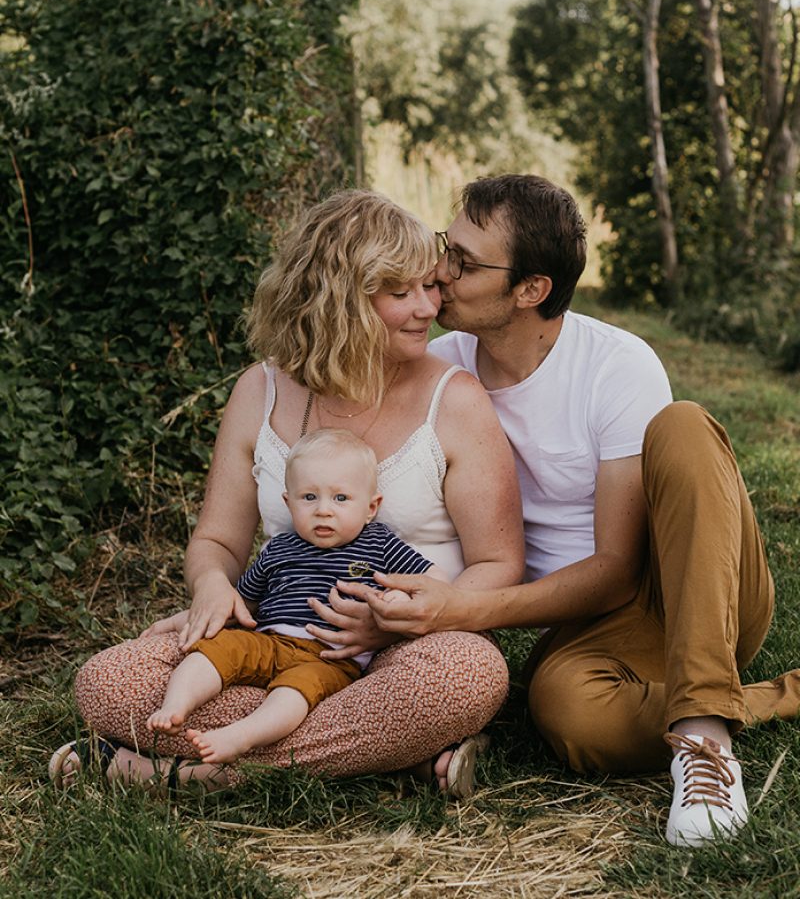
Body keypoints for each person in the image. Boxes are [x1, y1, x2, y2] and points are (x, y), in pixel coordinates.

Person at [335, 174, 800, 848]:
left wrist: (460, 611)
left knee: (684, 426)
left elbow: (616, 570)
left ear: (531, 290)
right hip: (586, 630)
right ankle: (767, 696)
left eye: (464, 263)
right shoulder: (442, 366)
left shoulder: (616, 365)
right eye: (447, 246)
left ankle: (705, 742)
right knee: (561, 712)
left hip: (695, 587)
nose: (439, 273)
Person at [48, 189, 525, 796]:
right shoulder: (261, 390)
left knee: (467, 676)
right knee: (107, 680)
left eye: (429, 285)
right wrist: (214, 587)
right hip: (278, 642)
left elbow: (499, 563)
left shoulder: (453, 399)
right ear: (338, 301)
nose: (427, 307)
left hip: (412, 650)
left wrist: (403, 622)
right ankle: (383, 762)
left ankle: (178, 770)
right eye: (399, 293)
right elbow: (218, 540)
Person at [145, 428, 442, 764]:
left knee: (296, 691)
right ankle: (175, 706)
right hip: (269, 641)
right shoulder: (279, 549)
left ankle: (242, 736)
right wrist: (181, 618)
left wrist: (399, 601)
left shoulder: (379, 544)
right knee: (213, 651)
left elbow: (434, 581)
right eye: (309, 497)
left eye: (341, 498)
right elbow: (239, 604)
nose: (324, 510)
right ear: (289, 502)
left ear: (371, 507)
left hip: (331, 657)